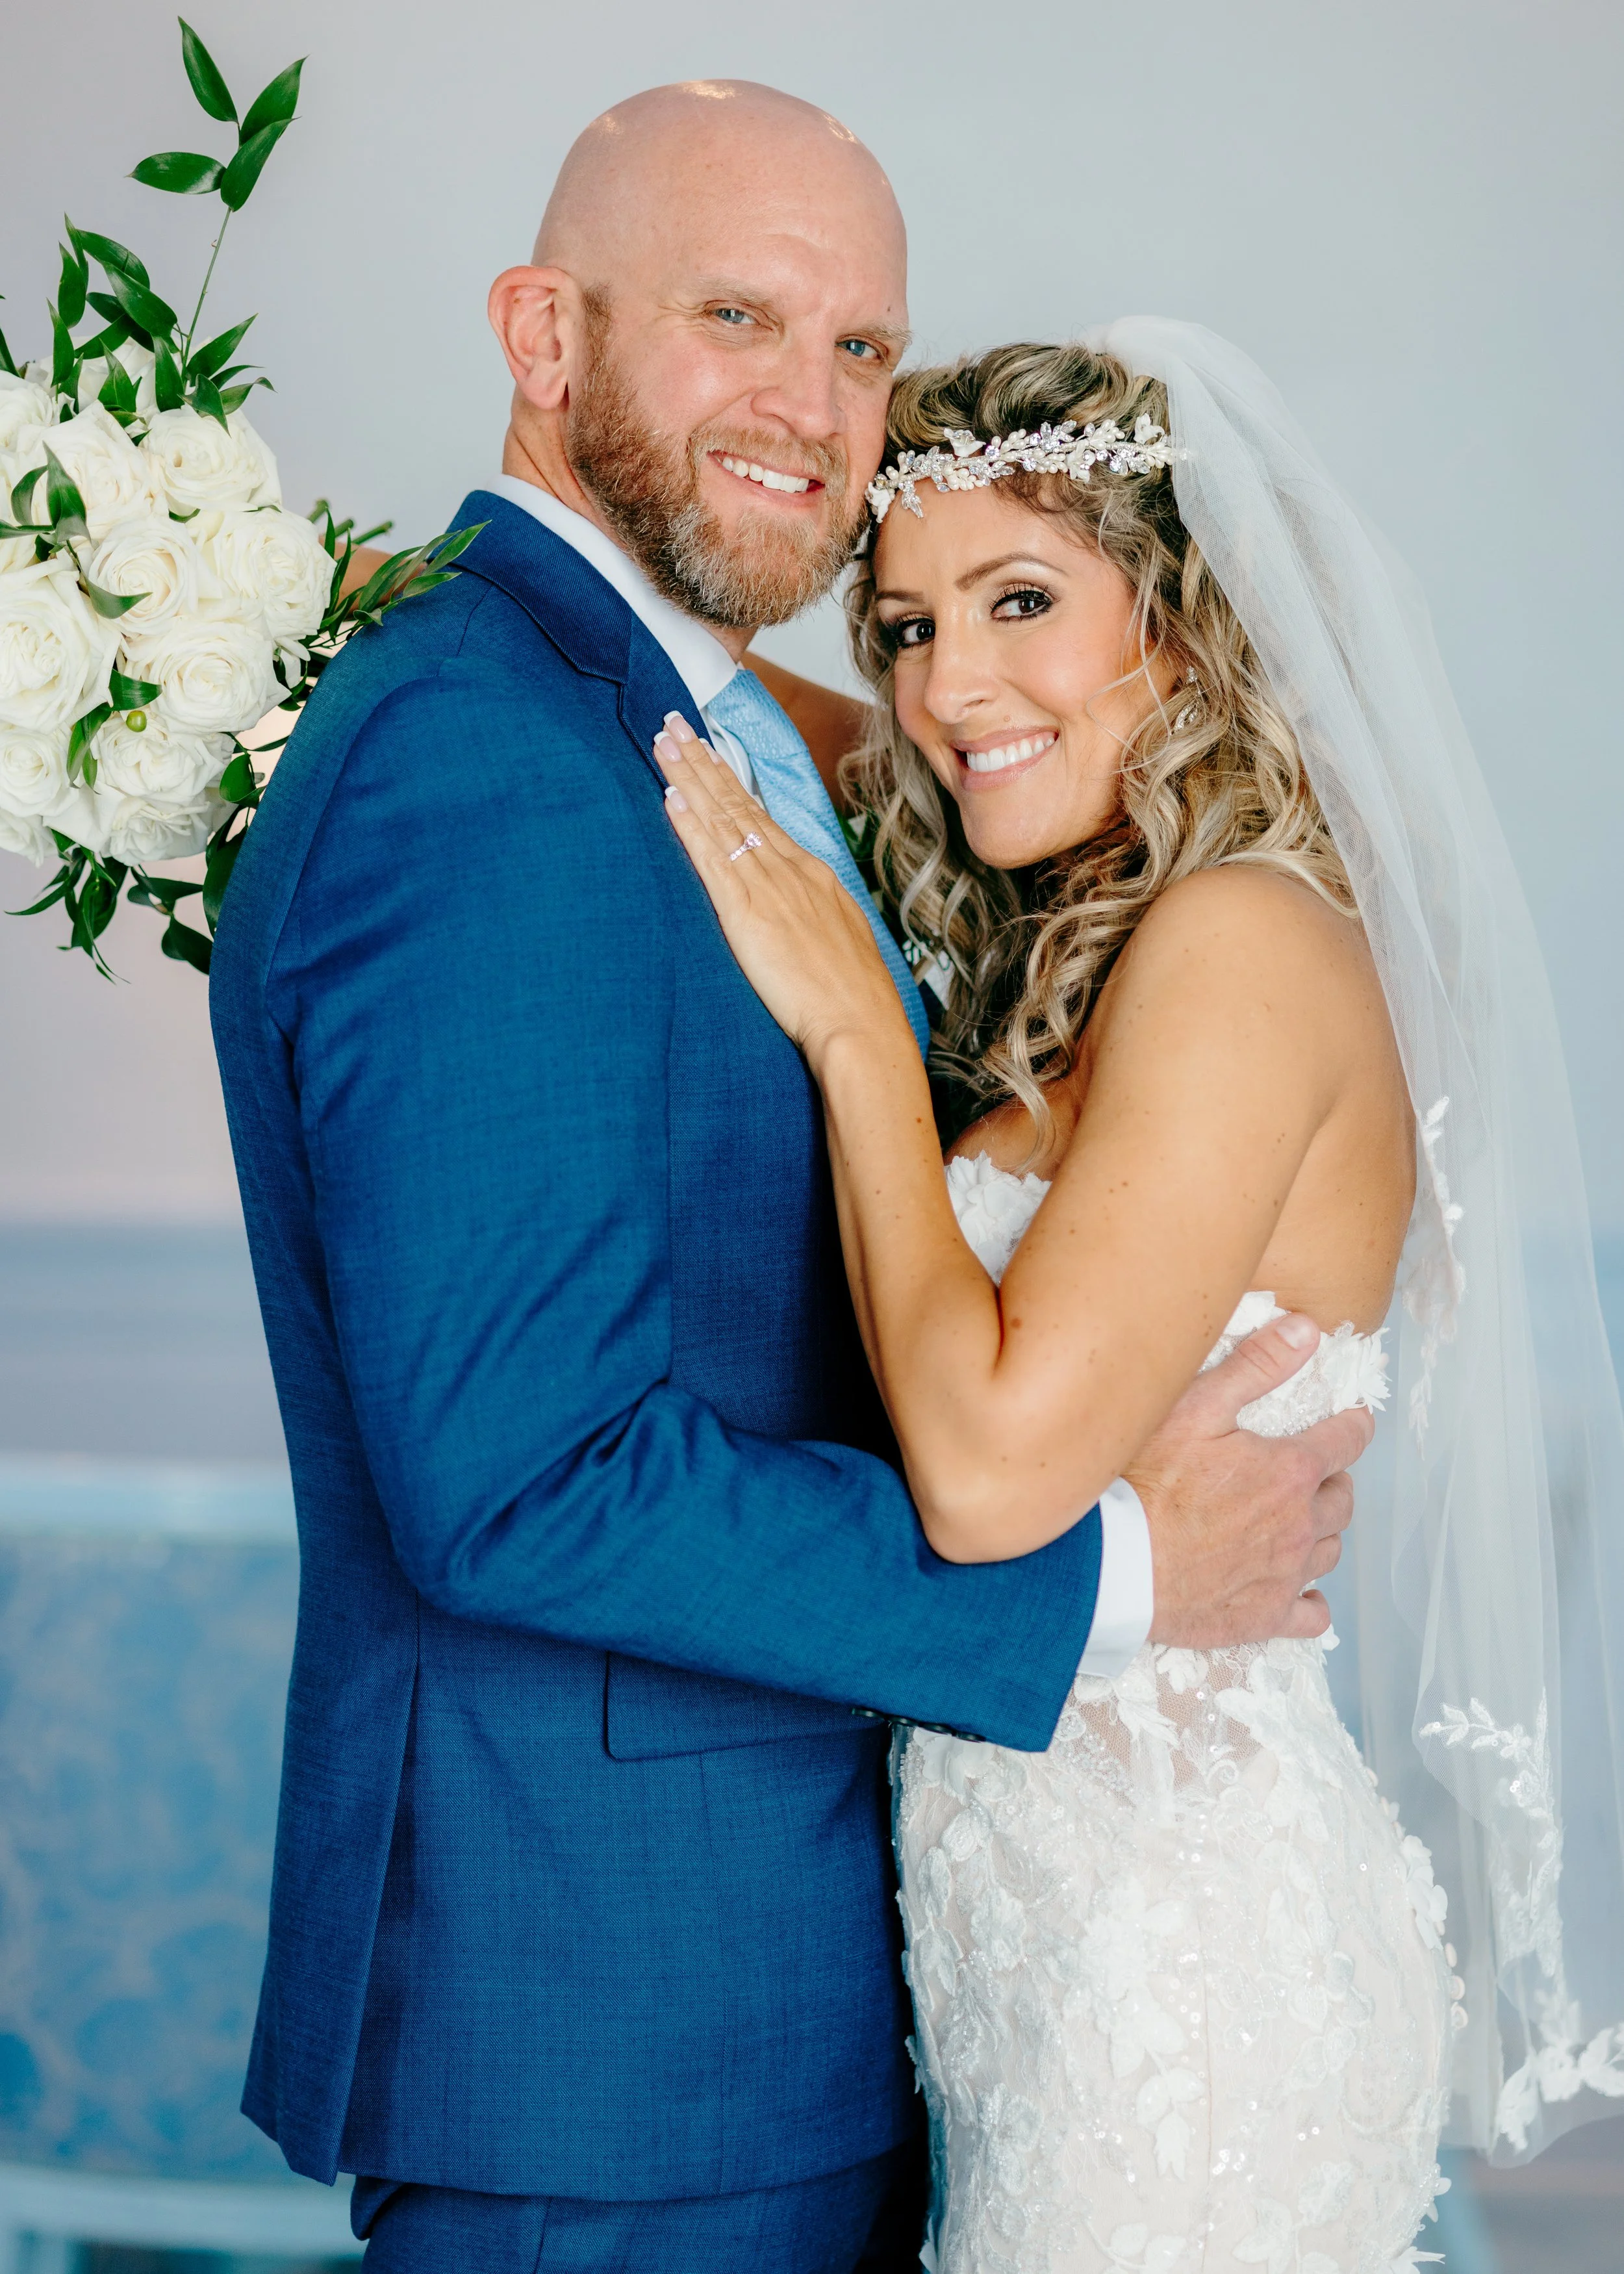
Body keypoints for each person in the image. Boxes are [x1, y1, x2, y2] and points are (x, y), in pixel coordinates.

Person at [208, 86, 1373, 2274]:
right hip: (615, 2024)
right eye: (738, 315)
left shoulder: (713, 739)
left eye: (860, 348)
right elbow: (521, 1479)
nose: (816, 407)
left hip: (829, 1997)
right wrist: (1111, 1583)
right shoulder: (487, 752)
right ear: (540, 336)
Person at [657, 324, 1624, 2268]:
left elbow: (996, 1479)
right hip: (1057, 1945)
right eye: (907, 624)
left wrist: (857, 1043)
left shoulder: (1239, 941)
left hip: (1168, 1973)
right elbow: (782, 715)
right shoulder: (1090, 926)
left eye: (1023, 600)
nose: (949, 686)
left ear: (1177, 619)